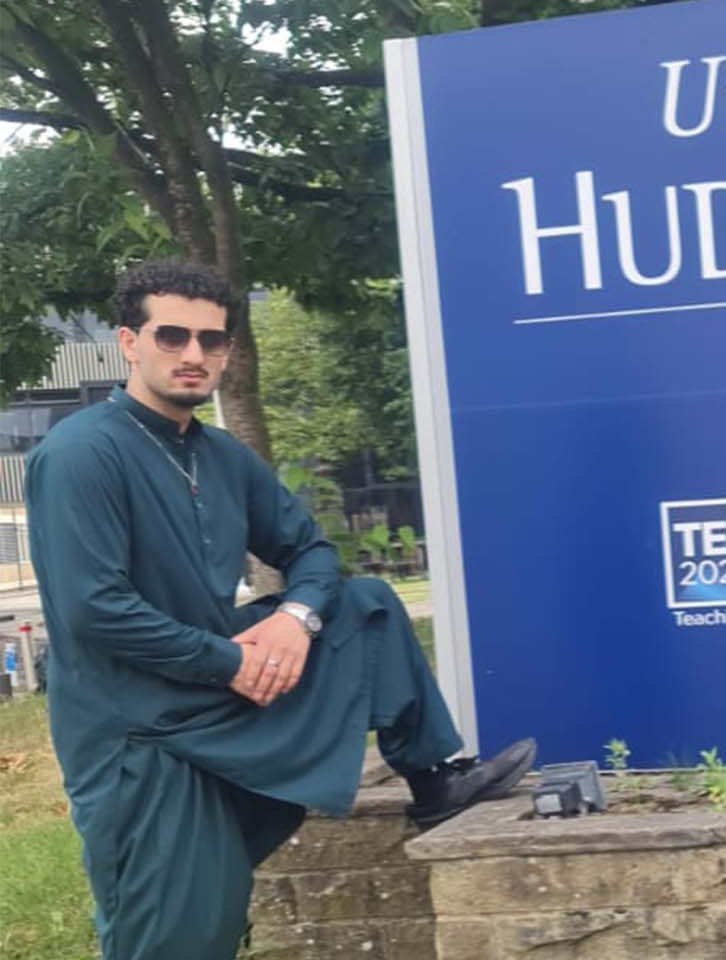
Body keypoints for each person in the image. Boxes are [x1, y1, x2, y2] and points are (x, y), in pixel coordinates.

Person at [24, 260, 535, 959]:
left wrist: (296, 621)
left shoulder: (223, 457)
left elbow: (313, 552)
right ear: (129, 342)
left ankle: (433, 777)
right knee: (178, 936)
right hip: (137, 733)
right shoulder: (82, 454)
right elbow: (96, 611)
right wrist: (231, 660)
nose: (195, 355)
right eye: (172, 336)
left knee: (365, 605)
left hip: (219, 693)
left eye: (214, 340)